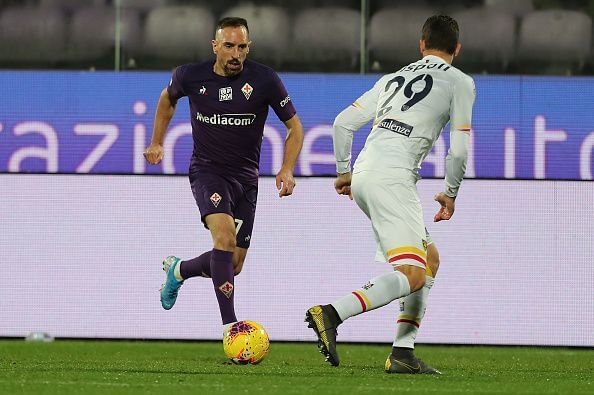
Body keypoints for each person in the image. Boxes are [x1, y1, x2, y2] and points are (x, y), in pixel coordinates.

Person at [305, 14, 475, 374]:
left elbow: (342, 123)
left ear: (421, 44)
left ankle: (403, 352)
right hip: (393, 179)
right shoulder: (460, 82)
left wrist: (343, 172)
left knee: (429, 260)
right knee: (413, 272)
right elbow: (459, 150)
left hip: (367, 172)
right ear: (457, 48)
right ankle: (333, 313)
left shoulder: (393, 77)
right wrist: (450, 192)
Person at [144, 17, 304, 332]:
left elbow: (294, 127)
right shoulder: (190, 76)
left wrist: (287, 167)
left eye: (241, 47)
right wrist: (156, 141)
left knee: (232, 264)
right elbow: (167, 100)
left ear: (248, 48)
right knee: (224, 236)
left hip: (246, 179)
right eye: (228, 46)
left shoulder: (265, 80)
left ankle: (180, 270)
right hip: (208, 171)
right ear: (215, 46)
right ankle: (232, 328)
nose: (235, 54)